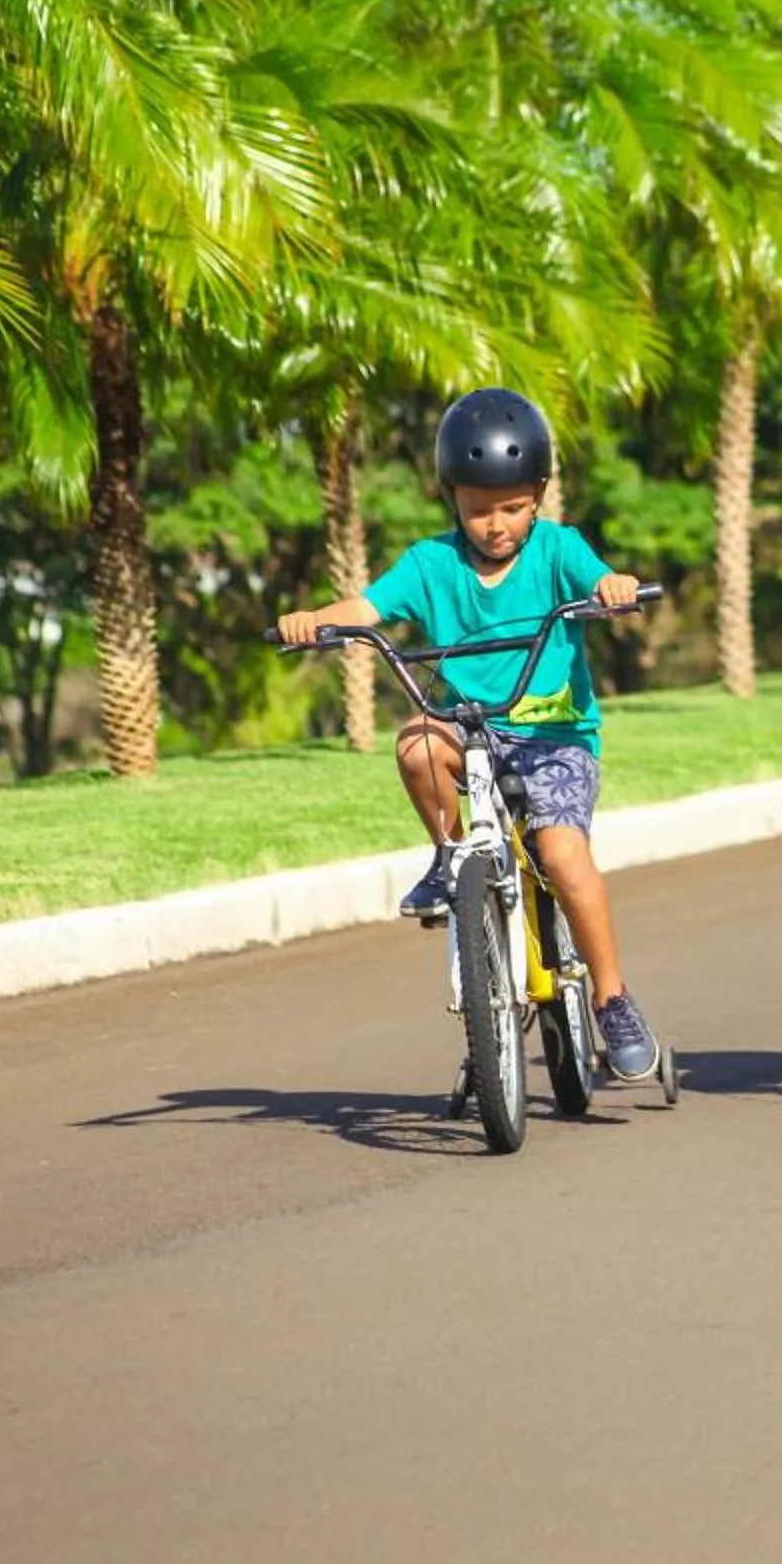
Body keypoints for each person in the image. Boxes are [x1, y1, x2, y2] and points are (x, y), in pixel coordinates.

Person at [277, 388, 662, 1082]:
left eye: (512, 506)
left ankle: (613, 997)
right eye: (478, 507)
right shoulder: (431, 563)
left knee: (564, 855)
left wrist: (616, 588)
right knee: (417, 741)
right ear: (450, 495)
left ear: (538, 495)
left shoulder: (557, 550)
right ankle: (451, 854)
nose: (495, 524)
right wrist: (315, 618)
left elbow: (602, 578)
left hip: (556, 741)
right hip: (469, 729)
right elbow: (367, 606)